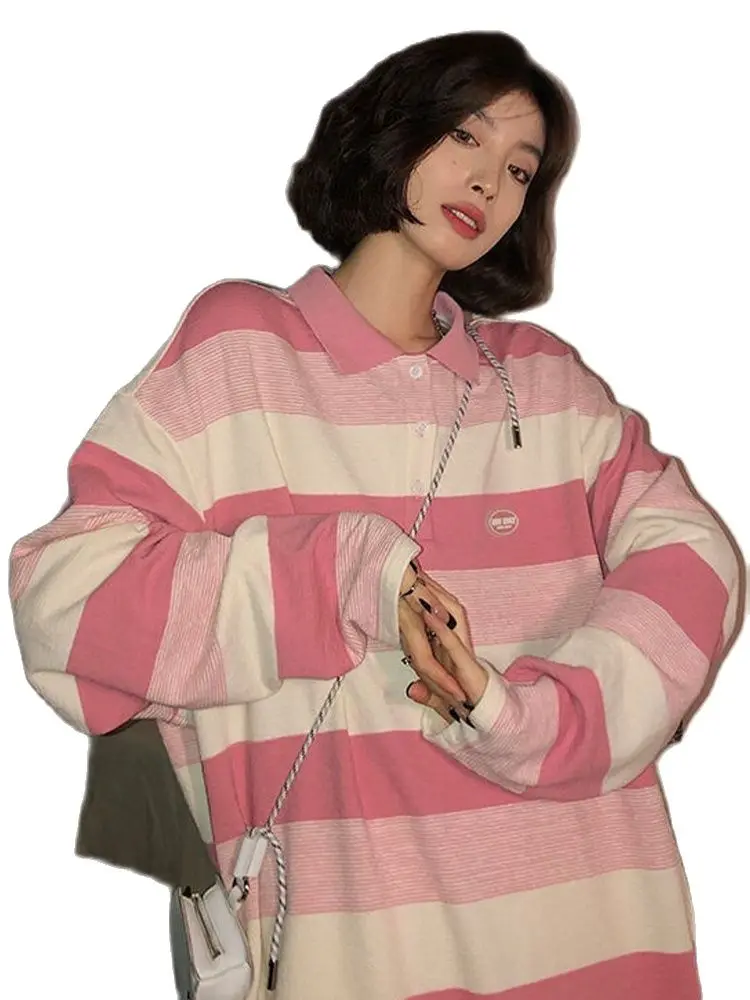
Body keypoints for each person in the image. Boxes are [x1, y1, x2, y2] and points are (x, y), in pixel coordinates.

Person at [8, 28, 742, 1000]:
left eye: (519, 169)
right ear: (396, 130)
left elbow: (699, 561)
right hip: (358, 955)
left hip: (596, 944)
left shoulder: (545, 385)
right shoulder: (241, 352)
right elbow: (64, 602)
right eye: (465, 136)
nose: (487, 183)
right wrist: (340, 576)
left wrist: (527, 719)